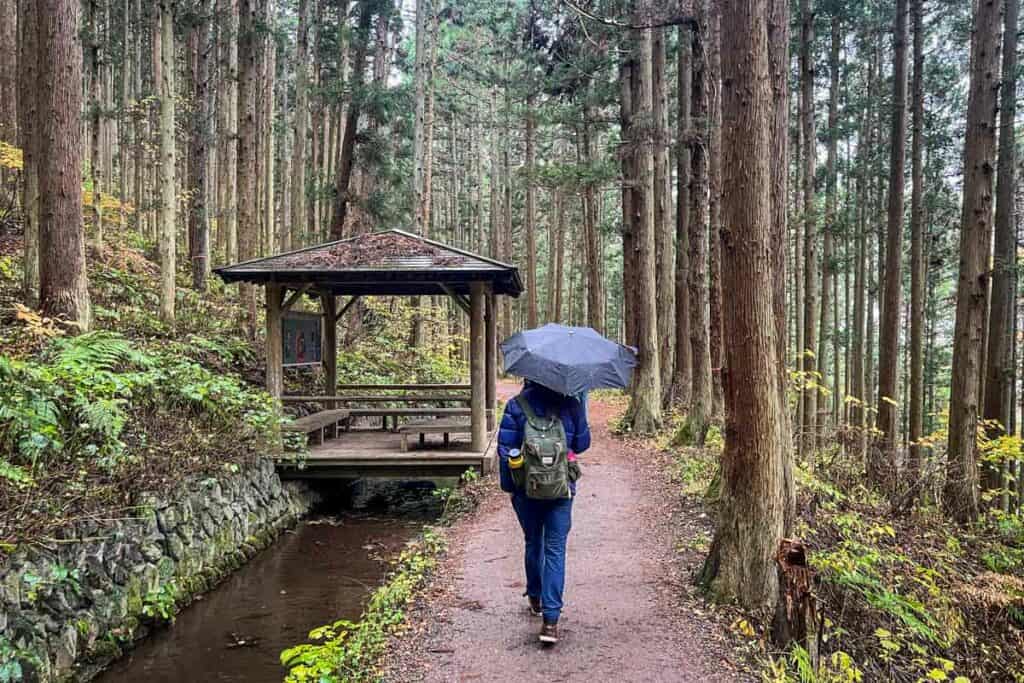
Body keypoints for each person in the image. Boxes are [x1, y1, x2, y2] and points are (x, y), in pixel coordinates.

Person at [497, 379, 591, 645]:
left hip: (526, 492)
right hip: (561, 490)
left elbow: (505, 452)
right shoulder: (571, 404)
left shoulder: (516, 406)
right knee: (555, 549)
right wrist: (580, 405)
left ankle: (535, 597)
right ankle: (550, 621)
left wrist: (511, 488)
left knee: (533, 541)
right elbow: (582, 444)